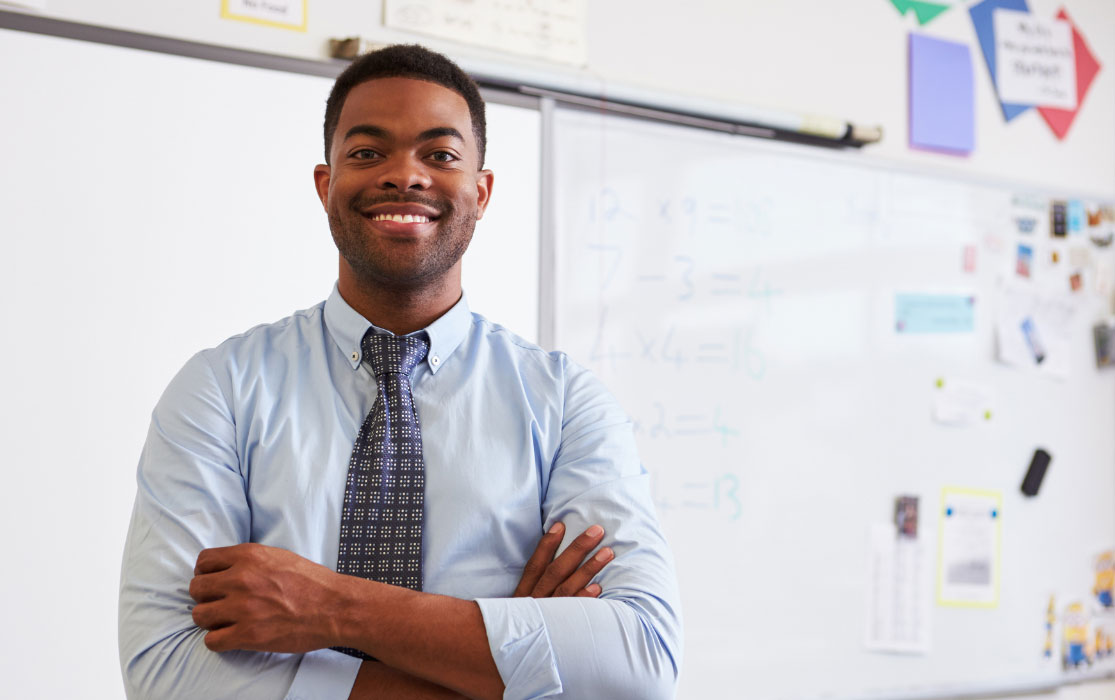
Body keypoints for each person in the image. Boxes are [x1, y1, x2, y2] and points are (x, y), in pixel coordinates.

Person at [118, 44, 681, 700]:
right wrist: (504, 663)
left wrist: (327, 606)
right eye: (366, 152)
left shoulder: (564, 405)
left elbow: (638, 664)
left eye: (439, 154)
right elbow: (166, 673)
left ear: (481, 190)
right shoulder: (221, 389)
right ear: (326, 185)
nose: (404, 176)